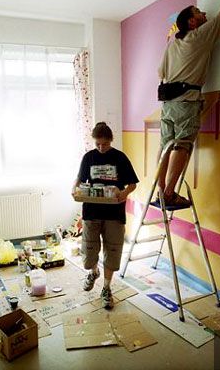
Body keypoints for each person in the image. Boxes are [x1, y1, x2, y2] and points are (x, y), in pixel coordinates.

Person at [156, 0, 220, 208]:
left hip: (168, 104)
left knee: (165, 147)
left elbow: (160, 73)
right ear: (192, 22)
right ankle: (170, 194)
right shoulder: (200, 36)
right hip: (186, 101)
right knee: (182, 145)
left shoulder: (172, 45)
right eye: (198, 12)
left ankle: (161, 191)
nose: (204, 13)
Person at [72, 122, 139, 309]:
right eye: (98, 144)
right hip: (91, 212)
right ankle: (93, 272)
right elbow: (80, 179)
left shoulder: (120, 158)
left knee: (113, 250)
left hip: (114, 214)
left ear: (111, 140)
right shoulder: (89, 157)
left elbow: (133, 184)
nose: (101, 148)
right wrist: (74, 188)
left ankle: (107, 288)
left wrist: (123, 194)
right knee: (89, 250)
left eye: (105, 144)